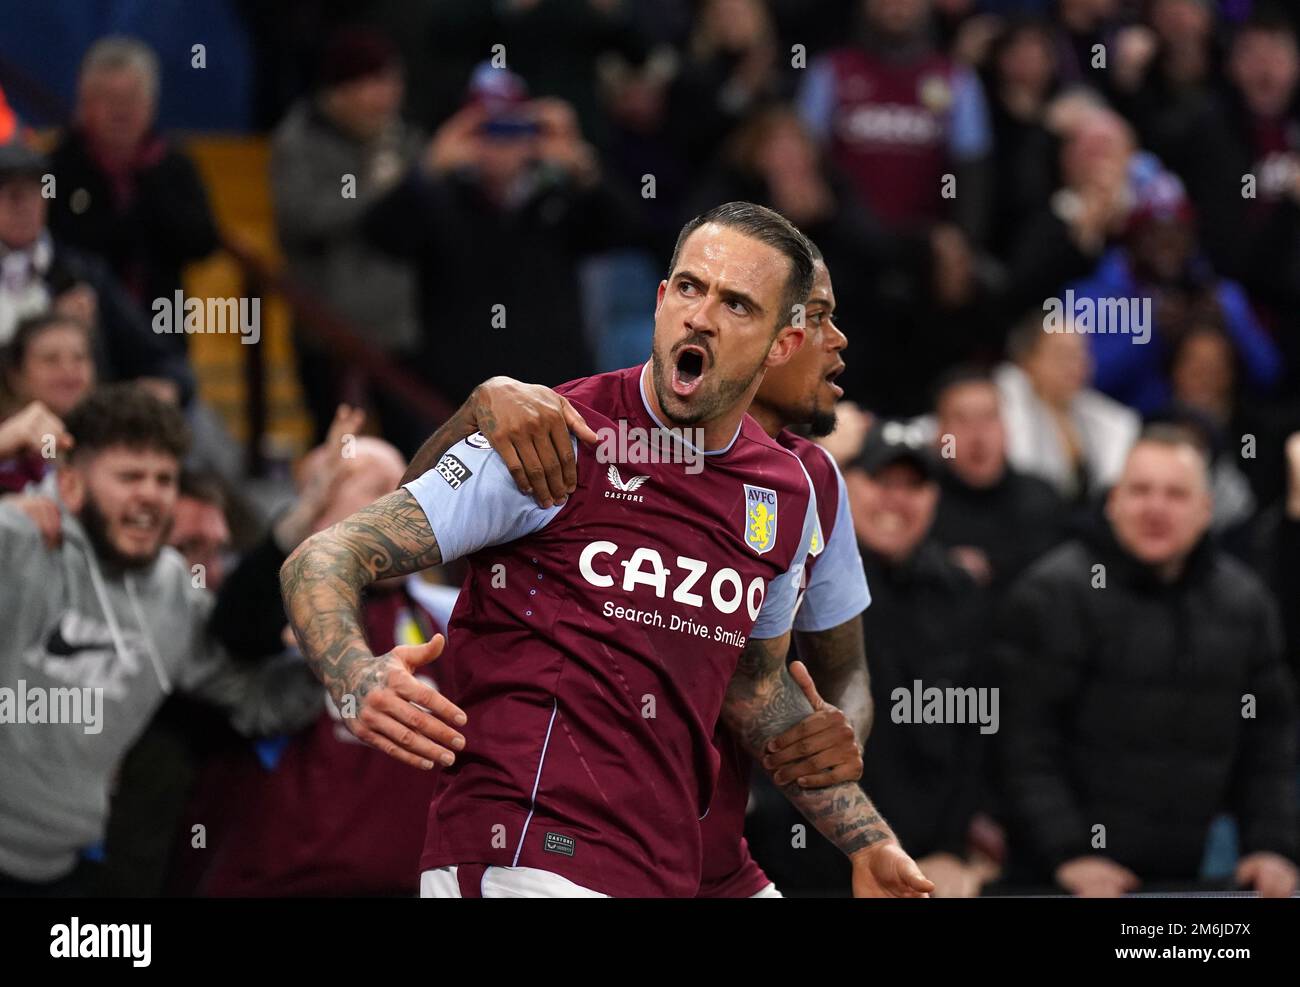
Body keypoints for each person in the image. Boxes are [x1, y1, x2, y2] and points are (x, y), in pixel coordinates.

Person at [281, 202, 930, 898]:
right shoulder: (552, 434)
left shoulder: (787, 493)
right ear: (659, 300)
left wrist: (867, 839)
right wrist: (354, 675)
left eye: (736, 304)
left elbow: (752, 685)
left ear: (780, 343)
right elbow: (324, 557)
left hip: (675, 863)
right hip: (528, 850)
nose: (701, 317)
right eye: (688, 288)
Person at [0, 384, 319, 894]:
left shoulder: (173, 592)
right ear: (74, 484)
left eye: (164, 479)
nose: (150, 493)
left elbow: (256, 701)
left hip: (60, 869)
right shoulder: (19, 539)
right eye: (129, 476)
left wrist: (323, 663)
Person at [994, 425, 1298, 896]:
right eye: (1140, 491)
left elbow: (1270, 743)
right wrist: (1069, 854)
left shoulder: (1245, 603)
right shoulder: (1051, 595)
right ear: (1113, 502)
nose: (1156, 508)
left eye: (1176, 494)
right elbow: (1023, 743)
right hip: (1060, 881)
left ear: (1206, 511)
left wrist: (1273, 846)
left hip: (1192, 878)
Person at [270, 29, 426, 448]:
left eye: (393, 82)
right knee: (335, 450)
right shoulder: (301, 141)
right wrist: (378, 189)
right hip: (330, 332)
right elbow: (304, 216)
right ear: (340, 90)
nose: (387, 96)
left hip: (401, 330)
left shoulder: (404, 140)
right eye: (373, 83)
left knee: (414, 453)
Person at [47, 36, 219, 324]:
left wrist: (150, 183)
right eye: (109, 99)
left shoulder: (171, 164)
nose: (121, 111)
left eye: (131, 98)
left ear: (151, 104)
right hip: (78, 334)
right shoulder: (58, 167)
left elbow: (203, 242)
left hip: (162, 327)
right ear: (85, 103)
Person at [995, 312, 1139, 503]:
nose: (1078, 364)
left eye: (1082, 353)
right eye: (1064, 355)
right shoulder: (1003, 406)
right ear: (1027, 360)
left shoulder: (1097, 414)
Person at [0, 312, 93, 495]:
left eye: (79, 358)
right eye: (50, 359)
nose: (68, 370)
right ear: (15, 374)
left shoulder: (105, 436)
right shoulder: (6, 442)